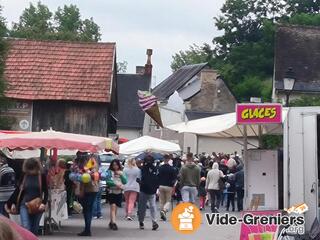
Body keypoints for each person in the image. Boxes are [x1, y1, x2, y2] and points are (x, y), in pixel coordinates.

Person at [7, 158, 48, 235]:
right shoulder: (24, 175)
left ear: (37, 167)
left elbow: (46, 191)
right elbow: (18, 190)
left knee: (34, 229)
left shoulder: (41, 176)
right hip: (24, 204)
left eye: (32, 168)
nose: (31, 171)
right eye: (29, 168)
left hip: (38, 205)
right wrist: (13, 203)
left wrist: (44, 203)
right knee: (26, 227)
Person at [72, 152, 99, 236]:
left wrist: (81, 191)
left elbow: (84, 179)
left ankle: (87, 230)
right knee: (89, 210)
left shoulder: (85, 164)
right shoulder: (93, 161)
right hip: (95, 188)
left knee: (87, 210)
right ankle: (87, 229)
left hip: (88, 189)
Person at [137, 155, 159, 231]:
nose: (149, 162)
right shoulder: (144, 169)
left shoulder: (153, 169)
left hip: (148, 190)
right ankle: (143, 221)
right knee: (149, 207)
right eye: (148, 160)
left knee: (149, 207)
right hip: (147, 190)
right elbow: (138, 179)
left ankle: (153, 222)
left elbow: (138, 179)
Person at [106, 159, 127, 230]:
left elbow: (125, 181)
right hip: (111, 191)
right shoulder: (109, 172)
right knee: (113, 206)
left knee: (115, 208)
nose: (115, 166)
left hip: (119, 192)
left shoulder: (121, 172)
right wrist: (115, 184)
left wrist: (121, 175)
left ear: (119, 165)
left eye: (116, 165)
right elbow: (108, 181)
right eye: (113, 165)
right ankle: (114, 223)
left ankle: (111, 222)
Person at [158, 154, 177, 221]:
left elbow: (157, 177)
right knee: (168, 200)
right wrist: (173, 186)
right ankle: (164, 210)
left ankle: (162, 216)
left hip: (161, 185)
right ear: (169, 159)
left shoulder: (160, 168)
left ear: (163, 159)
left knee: (161, 201)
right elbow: (175, 179)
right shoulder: (172, 169)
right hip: (169, 186)